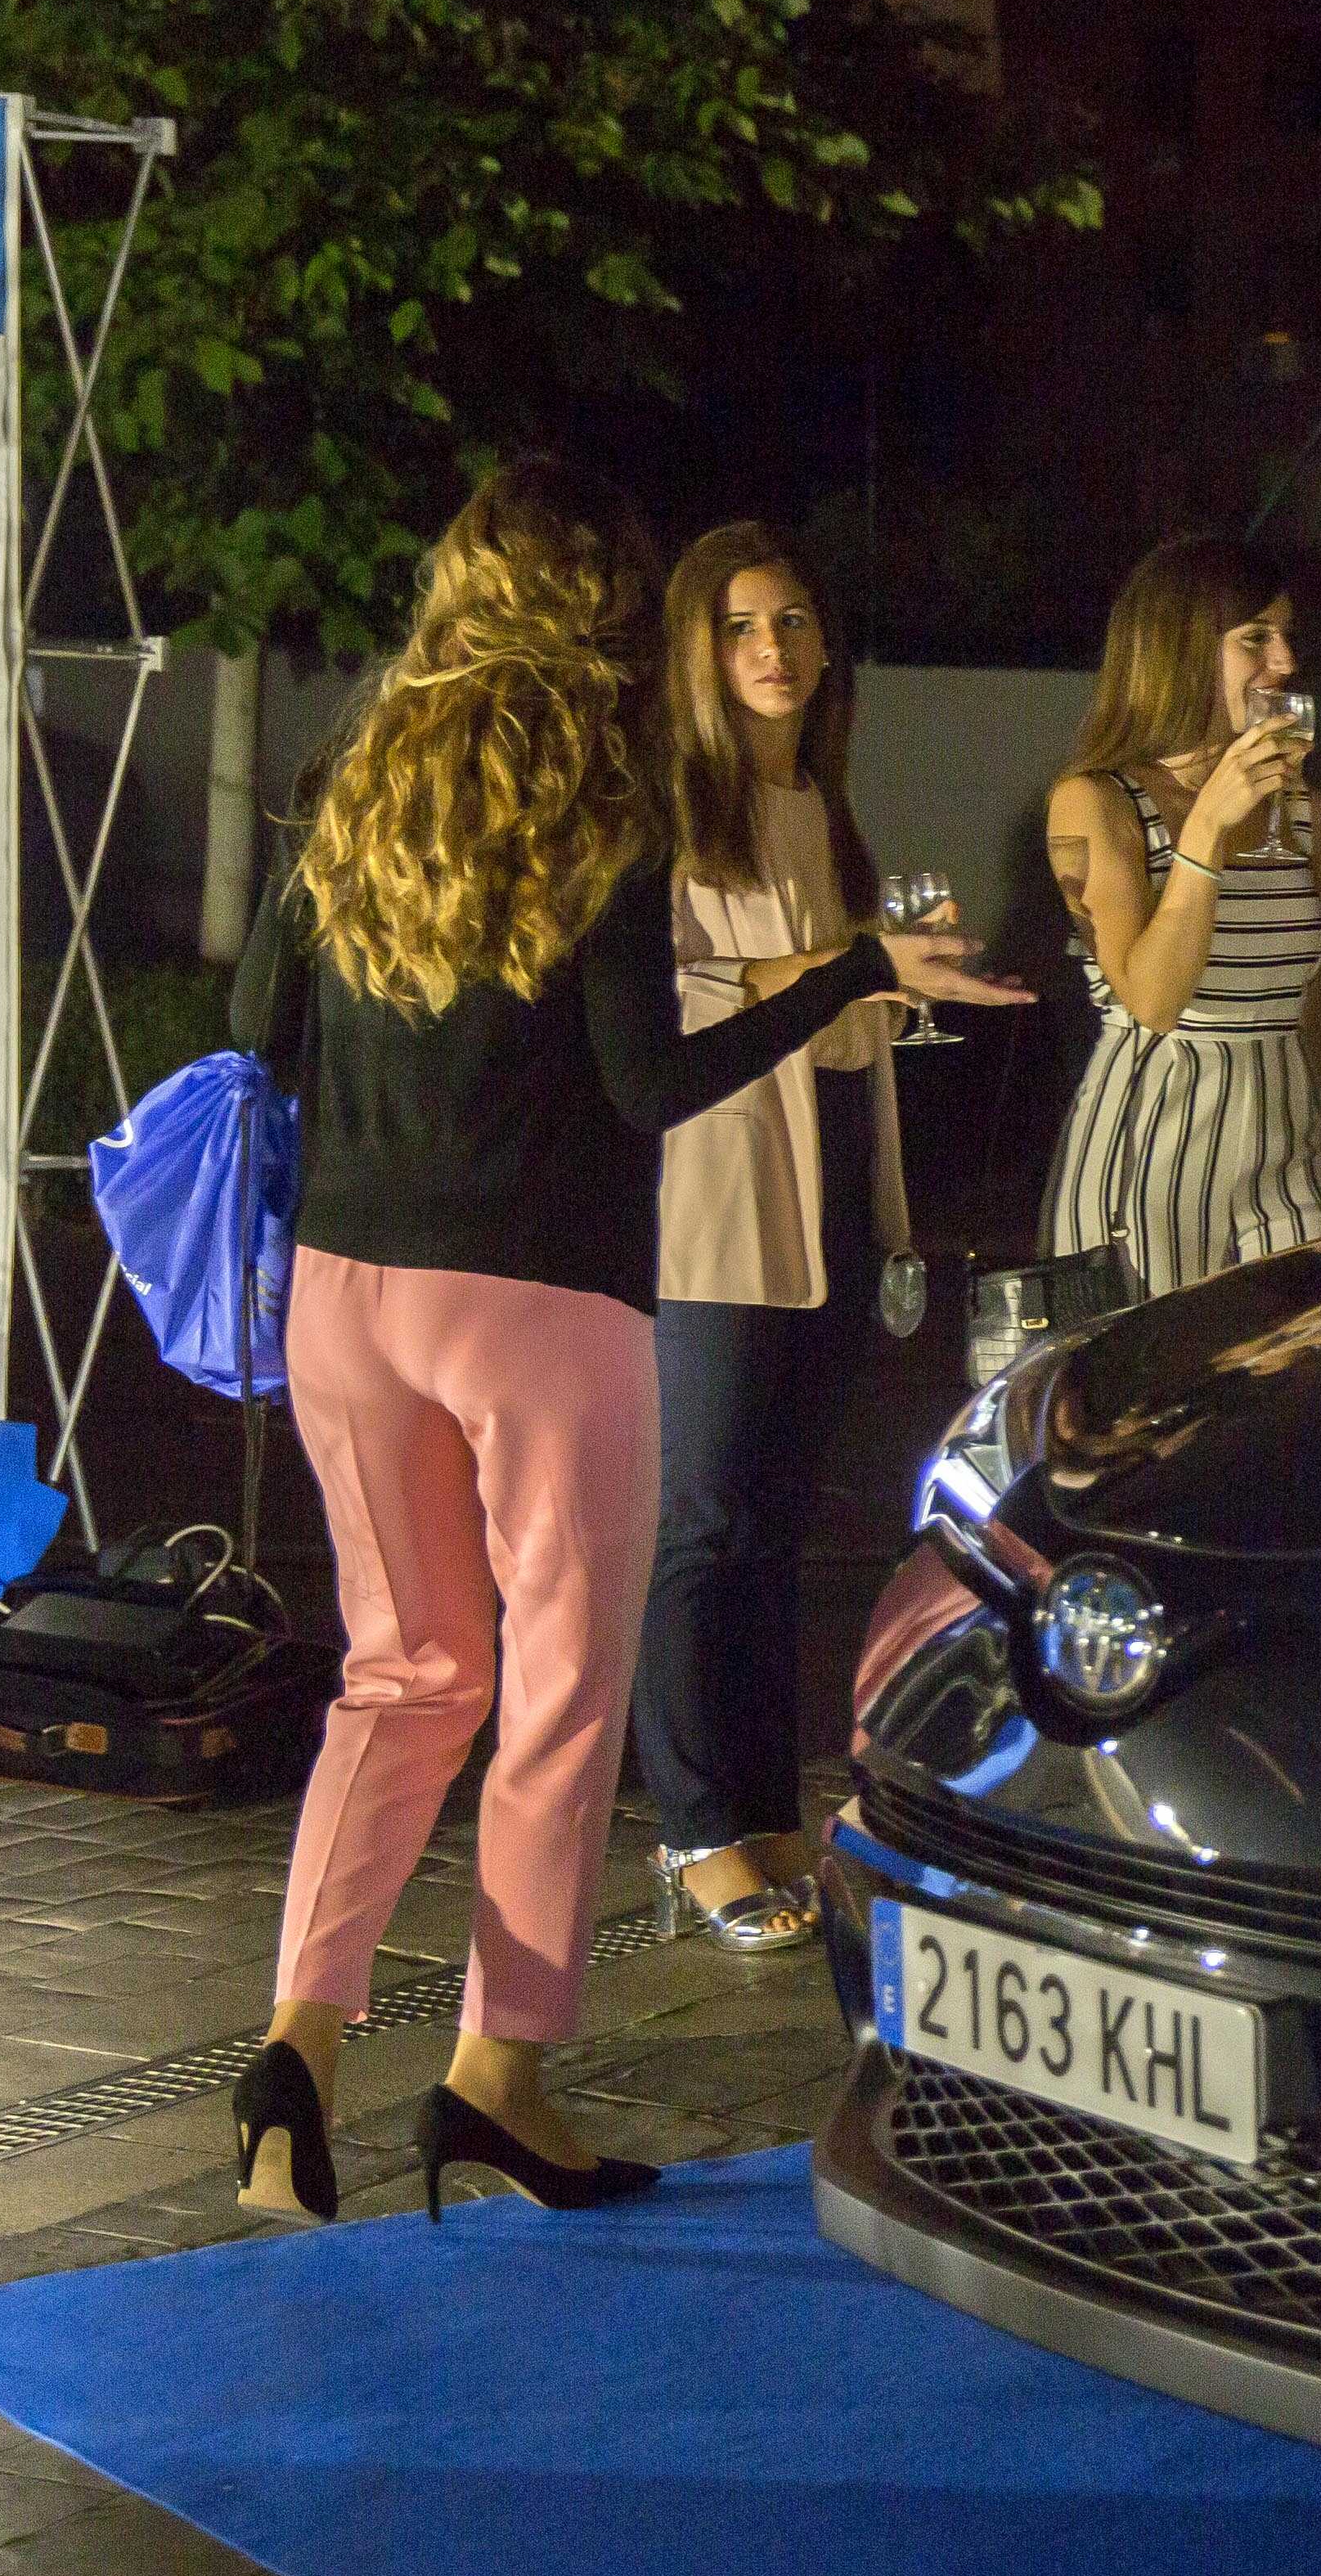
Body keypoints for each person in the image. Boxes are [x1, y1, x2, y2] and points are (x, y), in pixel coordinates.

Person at [222, 459, 1022, 2226]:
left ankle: (299, 2048)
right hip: (542, 1304)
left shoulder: (356, 790)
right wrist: (852, 974)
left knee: (401, 1673)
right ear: (602, 619)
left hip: (349, 1295)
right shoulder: (600, 808)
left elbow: (250, 1028)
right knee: (557, 1694)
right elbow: (652, 1089)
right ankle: (499, 2081)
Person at [627, 523, 907, 1955]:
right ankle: (690, 1827)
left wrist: (914, 986)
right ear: (697, 651)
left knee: (782, 1527)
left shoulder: (823, 805)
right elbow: (674, 1007)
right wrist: (850, 971)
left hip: (834, 1179)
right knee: (705, 1516)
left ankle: (761, 1801)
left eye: (795, 623)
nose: (776, 652)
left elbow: (845, 1009)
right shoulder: (673, 813)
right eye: (743, 628)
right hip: (720, 1195)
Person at [1039, 535, 1321, 1296]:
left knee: (1309, 1379)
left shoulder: (1306, 814)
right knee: (1161, 1404)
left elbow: (1309, 995)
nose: (1285, 662)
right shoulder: (1098, 804)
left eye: (1286, 637)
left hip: (1289, 1139)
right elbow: (1153, 999)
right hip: (1157, 1146)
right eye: (1255, 640)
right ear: (1179, 650)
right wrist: (1203, 834)